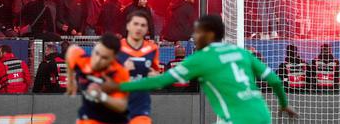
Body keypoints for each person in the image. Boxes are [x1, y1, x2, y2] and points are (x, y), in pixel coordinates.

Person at [102, 14, 297, 124]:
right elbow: (274, 80)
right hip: (263, 117)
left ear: (209, 34)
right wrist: (283, 103)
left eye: (197, 32)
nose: (194, 36)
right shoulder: (241, 53)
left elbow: (161, 81)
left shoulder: (201, 59)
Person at [65, 33, 131, 124]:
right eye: (96, 53)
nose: (97, 60)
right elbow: (71, 51)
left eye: (104, 57)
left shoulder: (119, 73)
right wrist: (71, 79)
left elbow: (122, 106)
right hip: (89, 117)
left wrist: (101, 96)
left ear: (113, 58)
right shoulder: (82, 60)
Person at [117, 11, 162, 124]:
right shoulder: (116, 48)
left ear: (147, 29)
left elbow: (157, 82)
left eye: (143, 25)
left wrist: (156, 78)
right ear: (128, 26)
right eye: (135, 24)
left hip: (141, 107)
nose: (139, 28)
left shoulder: (152, 49)